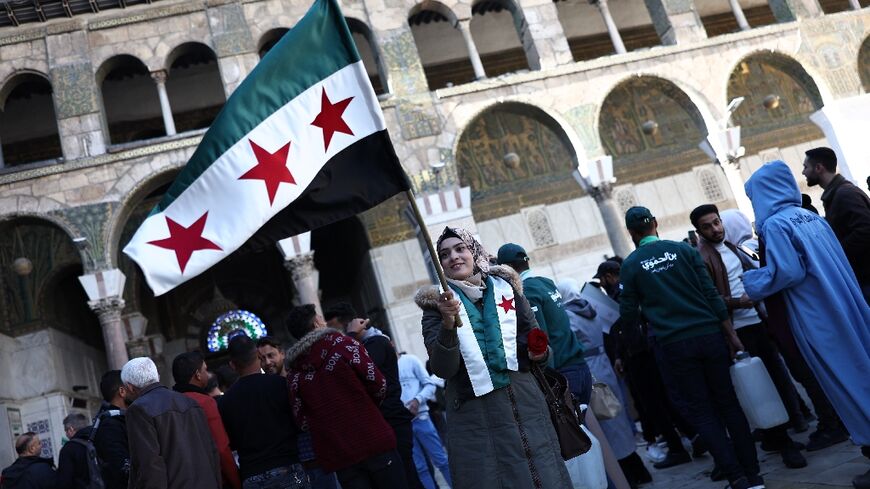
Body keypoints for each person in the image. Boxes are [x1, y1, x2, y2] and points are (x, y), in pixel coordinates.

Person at [741, 160, 870, 489]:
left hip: (817, 315)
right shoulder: (810, 216)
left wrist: (753, 280)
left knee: (843, 380)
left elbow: (788, 272)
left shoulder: (775, 226)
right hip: (844, 305)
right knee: (862, 370)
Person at [414, 227, 571, 489]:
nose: (453, 257)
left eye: (460, 248)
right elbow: (443, 368)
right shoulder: (436, 307)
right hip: (477, 421)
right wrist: (447, 323)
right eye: (444, 254)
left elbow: (540, 348)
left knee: (542, 477)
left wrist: (540, 353)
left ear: (475, 252)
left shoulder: (506, 290)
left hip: (525, 408)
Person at [618, 206, 762, 489]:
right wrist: (731, 335)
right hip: (710, 336)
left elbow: (628, 316)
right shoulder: (684, 251)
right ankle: (753, 473)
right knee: (729, 404)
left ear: (632, 233)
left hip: (674, 345)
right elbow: (711, 294)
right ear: (656, 223)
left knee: (702, 411)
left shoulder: (632, 265)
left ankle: (736, 477)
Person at [497, 243, 650, 487]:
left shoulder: (528, 292)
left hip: (564, 373)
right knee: (594, 435)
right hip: (579, 367)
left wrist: (548, 382)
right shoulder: (546, 283)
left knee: (580, 442)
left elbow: (541, 341)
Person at [720, 209, 849, 451]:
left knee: (805, 372)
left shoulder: (749, 247)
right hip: (783, 318)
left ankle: (831, 422)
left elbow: (770, 274)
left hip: (784, 318)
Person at [691, 204, 807, 469]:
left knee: (777, 378)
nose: (715, 229)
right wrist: (737, 304)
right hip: (738, 330)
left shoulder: (732, 247)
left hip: (758, 323)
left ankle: (781, 435)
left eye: (716, 222)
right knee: (761, 386)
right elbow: (710, 300)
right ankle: (784, 443)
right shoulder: (701, 258)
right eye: (707, 226)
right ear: (699, 231)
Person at [285, 304, 407, 489]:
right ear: (318, 323)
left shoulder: (294, 373)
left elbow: (302, 420)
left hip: (340, 454)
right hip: (373, 440)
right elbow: (379, 384)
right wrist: (362, 408)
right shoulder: (345, 345)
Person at [597, 260, 700, 469]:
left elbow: (623, 328)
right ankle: (695, 436)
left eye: (603, 280)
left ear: (609, 276)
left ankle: (678, 447)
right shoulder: (636, 285)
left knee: (653, 404)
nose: (603, 284)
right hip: (649, 350)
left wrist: (620, 354)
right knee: (665, 398)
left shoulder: (621, 294)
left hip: (638, 355)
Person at [557, 278, 654, 485]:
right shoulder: (589, 307)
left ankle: (626, 474)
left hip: (589, 368)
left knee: (606, 424)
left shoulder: (567, 315)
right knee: (616, 417)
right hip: (605, 364)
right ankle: (638, 468)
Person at [325, 303, 421, 489]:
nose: (335, 339)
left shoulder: (376, 343)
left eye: (336, 331)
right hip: (380, 424)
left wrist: (350, 336)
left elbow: (351, 370)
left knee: (407, 478)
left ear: (352, 324)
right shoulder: (360, 346)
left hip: (392, 420)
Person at [218, 335, 310, 489]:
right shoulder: (280, 385)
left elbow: (230, 443)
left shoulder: (225, 401)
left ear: (232, 365)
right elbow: (299, 422)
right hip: (289, 468)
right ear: (258, 356)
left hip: (252, 476)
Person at [121, 356, 221, 489]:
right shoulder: (191, 403)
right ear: (157, 376)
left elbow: (149, 465)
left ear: (130, 387)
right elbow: (212, 451)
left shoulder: (138, 410)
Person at [801, 147, 870, 301]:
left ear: (819, 168)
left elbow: (865, 230)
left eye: (806, 167)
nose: (803, 172)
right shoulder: (838, 194)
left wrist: (836, 252)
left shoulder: (844, 194)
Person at [172, 351, 241, 489]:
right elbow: (221, 448)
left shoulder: (168, 404)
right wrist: (237, 482)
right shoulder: (205, 402)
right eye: (205, 369)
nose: (207, 373)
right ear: (197, 374)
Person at [398, 352, 452, 489]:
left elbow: (430, 385)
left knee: (441, 460)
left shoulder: (410, 360)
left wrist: (418, 400)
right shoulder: (384, 367)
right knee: (420, 468)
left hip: (421, 417)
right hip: (403, 424)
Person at [91, 370, 130, 489]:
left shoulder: (122, 419)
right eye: (131, 386)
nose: (135, 390)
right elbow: (122, 469)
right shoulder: (110, 425)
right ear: (122, 391)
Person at [56, 413, 95, 489]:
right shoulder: (98, 438)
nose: (66, 434)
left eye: (66, 431)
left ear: (71, 429)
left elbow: (65, 481)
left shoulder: (68, 449)